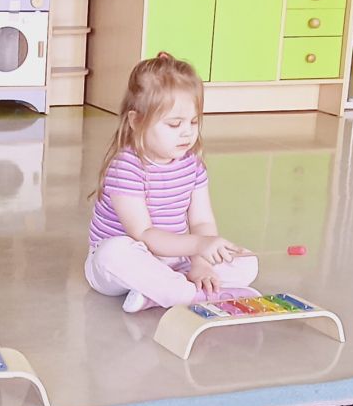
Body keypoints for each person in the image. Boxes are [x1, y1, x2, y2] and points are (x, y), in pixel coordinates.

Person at [86, 53, 259, 313]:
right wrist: (198, 246)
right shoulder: (126, 167)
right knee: (113, 252)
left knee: (247, 262)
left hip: (175, 257)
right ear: (136, 121)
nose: (187, 132)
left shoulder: (192, 163)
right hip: (126, 262)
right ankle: (187, 293)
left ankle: (160, 293)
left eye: (194, 122)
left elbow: (202, 221)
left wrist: (202, 262)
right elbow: (144, 234)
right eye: (174, 124)